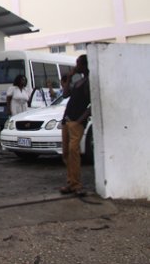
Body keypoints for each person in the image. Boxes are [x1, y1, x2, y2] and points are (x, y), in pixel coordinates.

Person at [60, 55, 91, 196]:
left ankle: (76, 184)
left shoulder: (88, 82)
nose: (76, 66)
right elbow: (65, 94)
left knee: (74, 152)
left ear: (84, 65)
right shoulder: (79, 81)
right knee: (66, 153)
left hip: (76, 122)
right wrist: (70, 78)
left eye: (78, 63)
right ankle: (71, 182)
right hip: (67, 120)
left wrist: (79, 120)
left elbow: (91, 105)